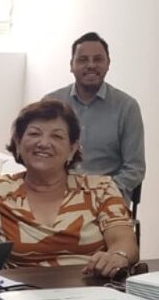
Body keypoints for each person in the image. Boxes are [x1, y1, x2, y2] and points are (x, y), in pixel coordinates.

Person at [0, 100, 138, 278]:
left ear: (72, 149)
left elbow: (124, 241)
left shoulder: (99, 188)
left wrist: (117, 256)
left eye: (57, 136)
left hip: (91, 297)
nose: (43, 143)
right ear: (18, 143)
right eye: (34, 133)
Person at [45, 32, 145, 202]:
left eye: (98, 59)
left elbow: (135, 168)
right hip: (58, 195)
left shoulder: (127, 107)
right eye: (83, 59)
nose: (91, 65)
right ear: (71, 65)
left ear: (108, 64)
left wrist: (100, 193)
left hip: (107, 199)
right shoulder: (51, 103)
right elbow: (40, 156)